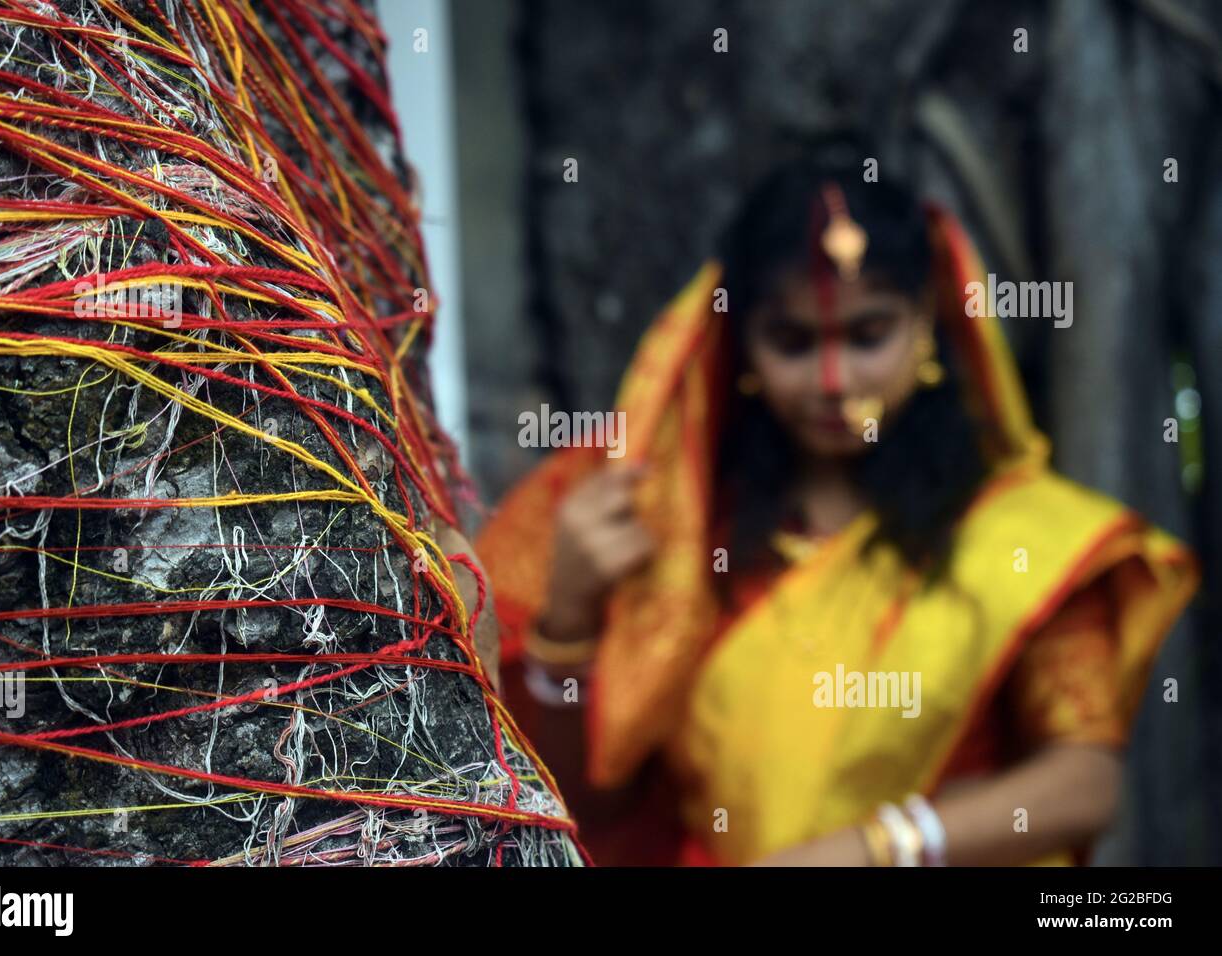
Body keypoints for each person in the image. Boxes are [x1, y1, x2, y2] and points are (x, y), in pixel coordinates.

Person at [475, 155, 1199, 866]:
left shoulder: (1019, 540)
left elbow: (1085, 783)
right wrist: (565, 622)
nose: (833, 381)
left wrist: (874, 848)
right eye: (792, 341)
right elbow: (579, 808)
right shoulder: (685, 534)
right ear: (743, 344)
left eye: (867, 335)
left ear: (927, 321)